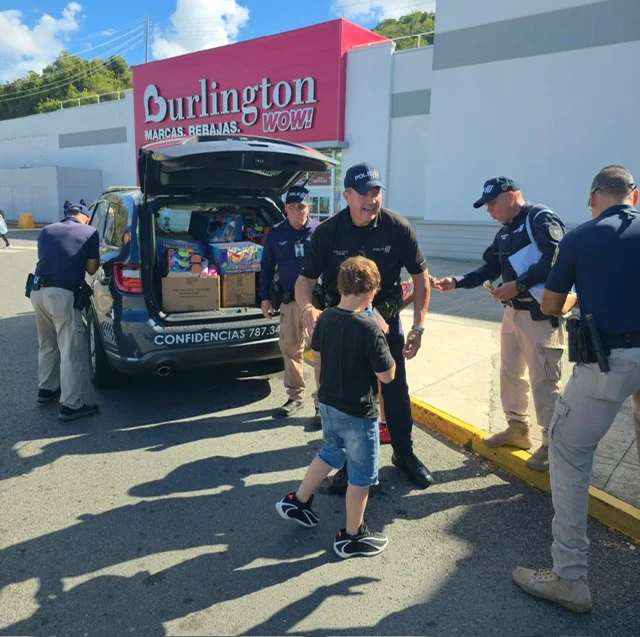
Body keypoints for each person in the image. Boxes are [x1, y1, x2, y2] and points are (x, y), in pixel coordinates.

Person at [512, 165, 640, 613]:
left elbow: (550, 304)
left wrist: (580, 295)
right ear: (634, 196)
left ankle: (569, 577)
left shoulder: (580, 238)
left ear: (592, 199)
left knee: (567, 450)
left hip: (608, 364)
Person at [294, 162, 433, 490]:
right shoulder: (328, 232)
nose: (371, 200)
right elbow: (305, 280)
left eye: (376, 192)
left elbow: (421, 279)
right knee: (348, 396)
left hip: (385, 319)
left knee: (395, 389)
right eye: (363, 194)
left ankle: (404, 453)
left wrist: (419, 327)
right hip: (343, 324)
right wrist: (308, 308)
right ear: (346, 195)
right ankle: (348, 464)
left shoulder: (398, 228)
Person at [432, 177, 569, 471]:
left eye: (492, 203)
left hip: (539, 313)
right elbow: (491, 268)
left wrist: (519, 285)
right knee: (510, 372)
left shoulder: (539, 218)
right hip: (513, 312)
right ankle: (517, 428)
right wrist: (456, 281)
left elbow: (557, 256)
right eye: (486, 206)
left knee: (544, 379)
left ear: (512, 196)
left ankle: (552, 444)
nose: (489, 211)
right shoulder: (505, 231)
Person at [276, 256, 395, 558]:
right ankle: (352, 536)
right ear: (370, 291)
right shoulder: (370, 328)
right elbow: (387, 375)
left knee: (331, 451)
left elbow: (316, 349)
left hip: (329, 405)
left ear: (341, 287)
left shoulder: (326, 317)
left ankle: (299, 500)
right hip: (359, 413)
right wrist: (382, 336)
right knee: (361, 476)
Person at [30, 203, 100, 421]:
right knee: (69, 349)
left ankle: (47, 390)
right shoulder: (90, 231)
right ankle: (71, 405)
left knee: (47, 343)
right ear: (85, 218)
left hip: (37, 292)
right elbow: (91, 269)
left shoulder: (46, 230)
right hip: (62, 295)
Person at [260, 186, 321, 426]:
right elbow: (266, 267)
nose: (297, 211)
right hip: (290, 302)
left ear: (309, 207)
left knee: (322, 352)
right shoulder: (276, 234)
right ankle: (296, 396)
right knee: (290, 348)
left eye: (301, 207)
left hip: (316, 302)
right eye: (292, 207)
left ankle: (323, 403)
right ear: (285, 208)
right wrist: (264, 298)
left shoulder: (320, 231)